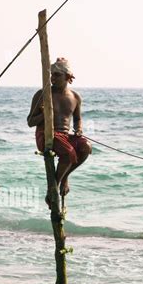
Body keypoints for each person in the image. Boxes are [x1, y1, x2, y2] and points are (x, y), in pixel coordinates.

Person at [27, 57, 92, 205]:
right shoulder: (42, 94)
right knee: (68, 152)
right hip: (46, 135)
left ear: (68, 77)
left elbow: (77, 119)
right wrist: (44, 115)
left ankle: (61, 180)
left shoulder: (75, 97)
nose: (52, 78)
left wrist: (79, 129)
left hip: (65, 136)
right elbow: (30, 122)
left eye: (57, 75)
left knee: (86, 147)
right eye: (52, 74)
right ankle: (54, 188)